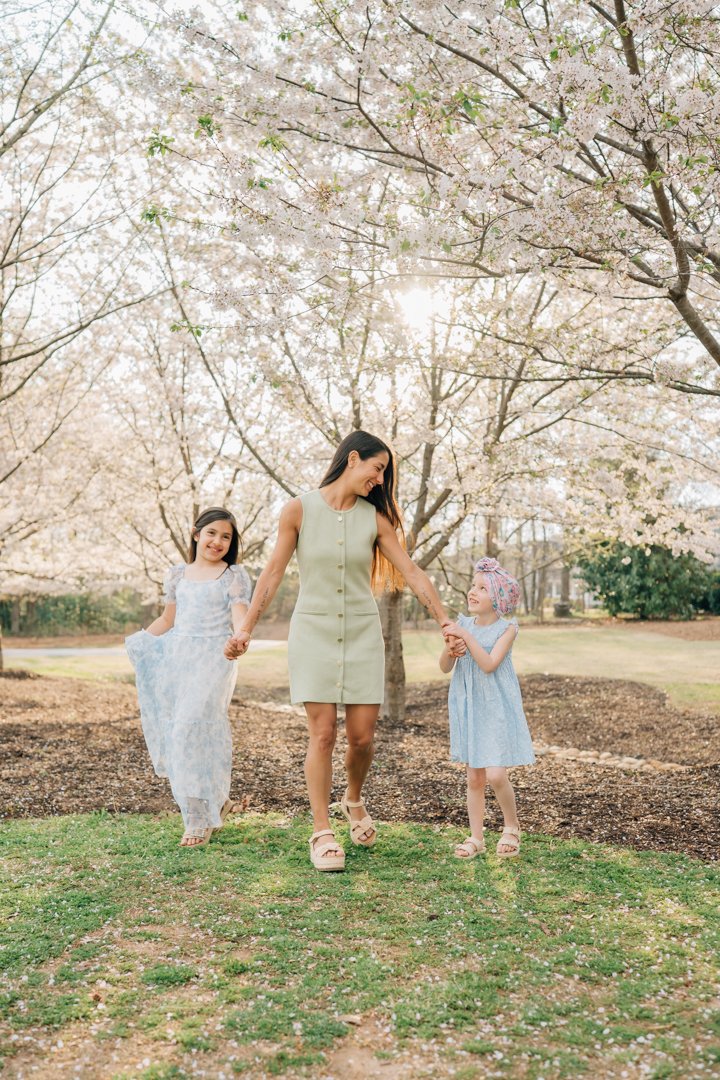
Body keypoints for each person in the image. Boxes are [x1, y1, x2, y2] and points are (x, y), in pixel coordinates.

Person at [225, 431, 454, 872]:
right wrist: (247, 629)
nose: (380, 479)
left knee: (363, 738)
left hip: (363, 633)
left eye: (384, 473)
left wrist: (444, 618)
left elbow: (410, 571)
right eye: (378, 468)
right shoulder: (298, 509)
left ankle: (352, 800)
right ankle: (321, 831)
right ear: (353, 459)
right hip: (312, 630)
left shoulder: (375, 519)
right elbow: (273, 572)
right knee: (323, 733)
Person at [126, 507, 252, 848]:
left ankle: (197, 819)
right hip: (179, 660)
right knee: (184, 732)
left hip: (215, 658)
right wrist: (142, 643)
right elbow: (169, 619)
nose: (218, 541)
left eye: (226, 536)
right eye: (212, 533)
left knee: (190, 730)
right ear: (196, 534)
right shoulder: (178, 575)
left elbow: (240, 616)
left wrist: (241, 637)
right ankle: (217, 803)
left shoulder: (233, 576)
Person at [440, 557, 535, 859]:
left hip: (495, 707)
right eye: (473, 585)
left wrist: (466, 637)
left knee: (495, 774)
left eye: (482, 588)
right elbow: (444, 667)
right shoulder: (462, 625)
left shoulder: (507, 629)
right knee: (474, 778)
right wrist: (450, 650)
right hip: (469, 707)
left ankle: (511, 827)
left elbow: (490, 664)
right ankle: (476, 837)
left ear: (498, 599)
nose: (473, 591)